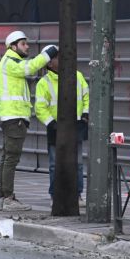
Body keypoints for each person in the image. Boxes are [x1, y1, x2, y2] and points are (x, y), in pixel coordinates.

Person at [0, 31, 58, 212]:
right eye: (23, 43)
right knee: (11, 159)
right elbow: (30, 68)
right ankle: (8, 199)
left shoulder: (9, 62)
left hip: (11, 117)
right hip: (14, 118)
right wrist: (49, 53)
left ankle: (3, 197)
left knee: (6, 158)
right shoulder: (11, 62)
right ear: (13, 46)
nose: (27, 46)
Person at [34, 46, 89, 207]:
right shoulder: (44, 83)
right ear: (49, 63)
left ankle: (77, 195)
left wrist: (85, 115)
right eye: (57, 57)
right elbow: (40, 108)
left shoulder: (78, 76)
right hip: (55, 128)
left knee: (77, 163)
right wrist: (51, 123)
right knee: (54, 164)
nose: (61, 60)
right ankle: (55, 196)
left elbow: (86, 96)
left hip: (76, 126)